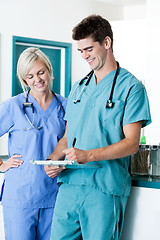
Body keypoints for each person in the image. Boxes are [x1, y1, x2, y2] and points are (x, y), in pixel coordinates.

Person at [45, 15, 151, 240]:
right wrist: (54, 160)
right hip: (70, 186)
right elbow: (67, 137)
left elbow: (132, 143)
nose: (85, 56)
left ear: (107, 43)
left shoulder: (131, 88)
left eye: (89, 49)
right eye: (80, 51)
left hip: (104, 189)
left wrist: (89, 155)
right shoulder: (78, 88)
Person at [0, 47, 67, 240]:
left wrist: (62, 163)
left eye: (40, 72)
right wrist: (2, 165)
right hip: (20, 197)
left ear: (49, 70)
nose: (37, 79)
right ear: (24, 81)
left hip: (55, 196)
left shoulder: (66, 107)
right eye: (30, 76)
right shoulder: (13, 107)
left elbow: (75, 143)